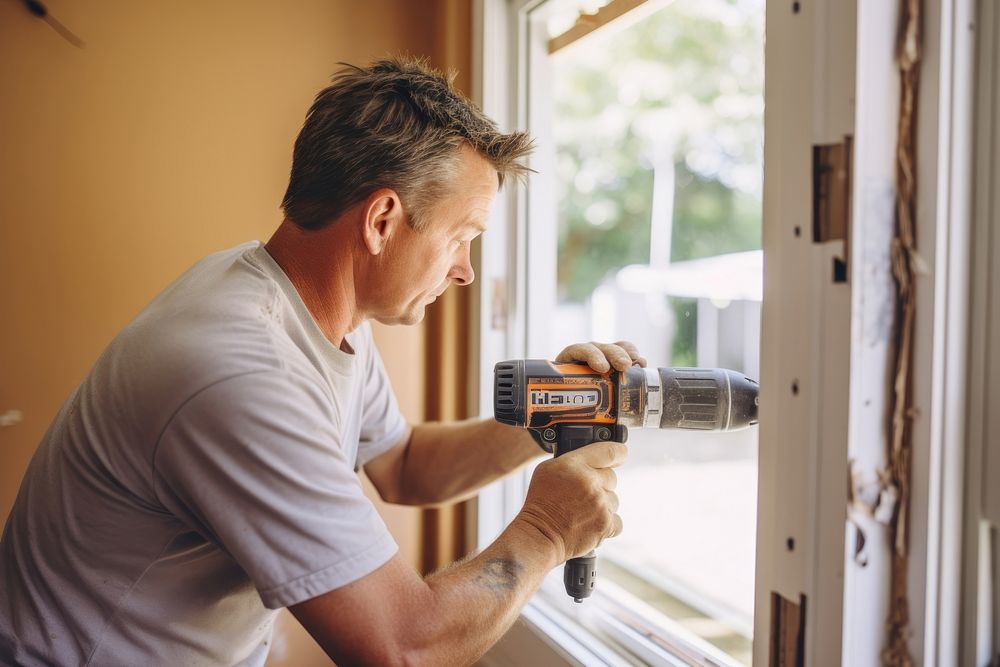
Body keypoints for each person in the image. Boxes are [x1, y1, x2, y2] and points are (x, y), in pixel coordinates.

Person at [0, 57, 644, 666]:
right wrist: (545, 532)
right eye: (461, 237)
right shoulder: (239, 370)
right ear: (382, 221)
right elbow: (402, 649)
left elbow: (404, 465)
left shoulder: (302, 309)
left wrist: (548, 412)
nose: (465, 271)